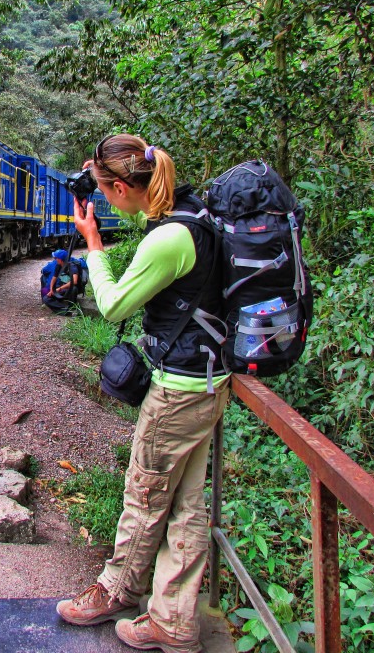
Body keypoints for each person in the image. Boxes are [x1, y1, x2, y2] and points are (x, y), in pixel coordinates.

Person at [56, 134, 230, 653]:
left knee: (145, 494)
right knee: (188, 505)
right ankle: (173, 622)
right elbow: (145, 215)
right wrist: (101, 175)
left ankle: (115, 592)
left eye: (108, 192)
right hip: (209, 380)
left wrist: (93, 244)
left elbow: (113, 306)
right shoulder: (191, 213)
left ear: (124, 187)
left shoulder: (167, 239)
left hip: (177, 393)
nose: (107, 202)